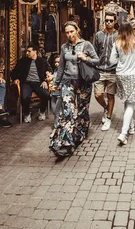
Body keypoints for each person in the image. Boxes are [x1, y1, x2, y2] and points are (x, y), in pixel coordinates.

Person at [50, 21, 99, 157]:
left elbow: (97, 61)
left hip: (83, 82)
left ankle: (80, 133)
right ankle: (66, 144)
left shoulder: (86, 44)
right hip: (68, 82)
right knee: (68, 112)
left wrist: (86, 58)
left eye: (72, 31)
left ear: (77, 30)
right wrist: (56, 83)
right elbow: (60, 67)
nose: (70, 34)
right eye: (67, 32)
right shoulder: (64, 47)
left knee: (83, 110)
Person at [110, 22, 135, 145]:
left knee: (127, 101)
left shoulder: (116, 43)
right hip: (133, 75)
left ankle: (131, 128)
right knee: (130, 105)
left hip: (120, 75)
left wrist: (121, 60)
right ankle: (123, 133)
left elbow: (111, 61)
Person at [11, 45, 52, 123]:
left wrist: (45, 80)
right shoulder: (22, 61)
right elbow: (14, 72)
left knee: (46, 94)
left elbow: (49, 71)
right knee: (25, 96)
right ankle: (26, 113)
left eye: (29, 51)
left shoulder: (42, 61)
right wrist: (15, 79)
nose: (27, 53)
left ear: (35, 52)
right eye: (27, 51)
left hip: (38, 83)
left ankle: (42, 111)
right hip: (27, 83)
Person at [92, 11, 119, 131]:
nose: (108, 22)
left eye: (111, 20)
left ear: (115, 22)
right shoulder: (98, 35)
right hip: (100, 70)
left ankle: (108, 118)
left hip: (113, 70)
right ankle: (107, 107)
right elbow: (94, 52)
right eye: (106, 20)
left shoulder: (118, 36)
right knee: (98, 95)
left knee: (110, 95)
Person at [47, 53, 61, 128]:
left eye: (58, 62)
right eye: (55, 62)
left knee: (58, 110)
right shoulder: (55, 70)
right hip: (53, 92)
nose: (56, 64)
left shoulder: (63, 71)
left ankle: (57, 124)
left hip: (60, 93)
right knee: (54, 109)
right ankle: (57, 122)